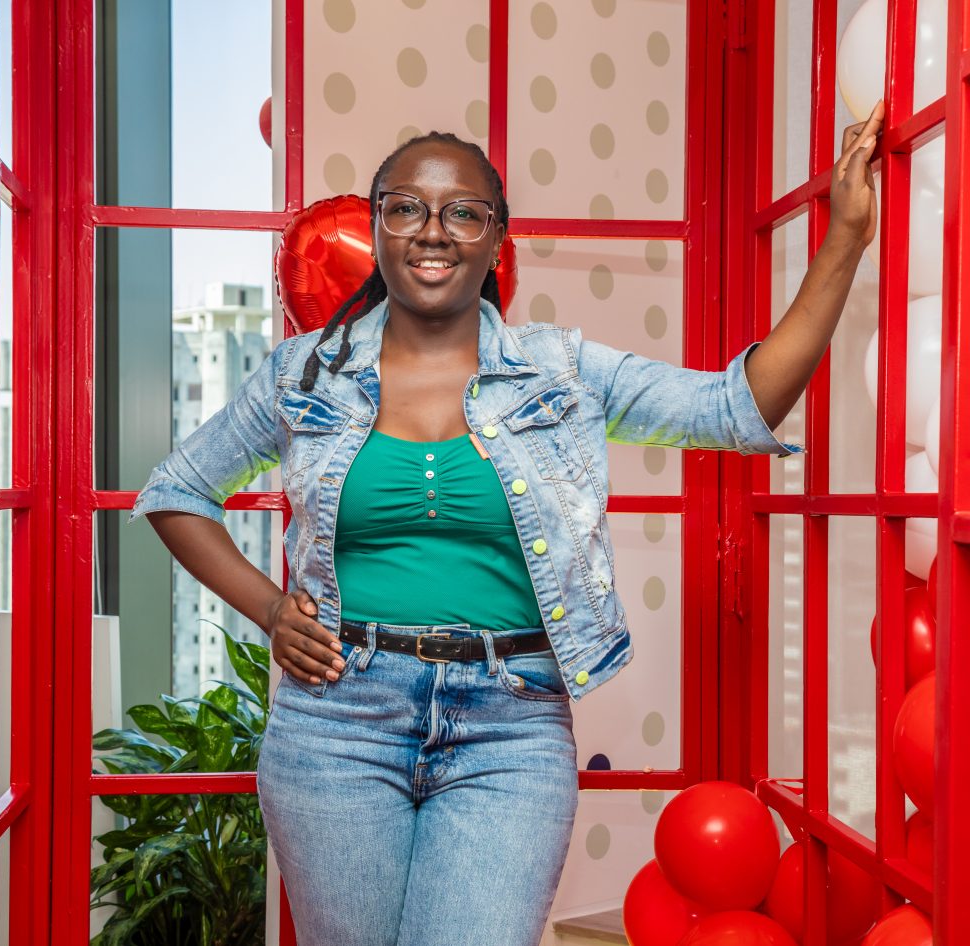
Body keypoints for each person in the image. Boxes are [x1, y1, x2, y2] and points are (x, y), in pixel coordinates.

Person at [129, 100, 884, 946]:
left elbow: (736, 405)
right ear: (378, 228)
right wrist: (272, 610)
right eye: (406, 207)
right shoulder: (306, 373)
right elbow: (176, 490)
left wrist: (845, 237)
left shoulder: (560, 370)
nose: (432, 231)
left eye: (463, 212)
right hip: (336, 723)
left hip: (510, 728)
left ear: (496, 239)